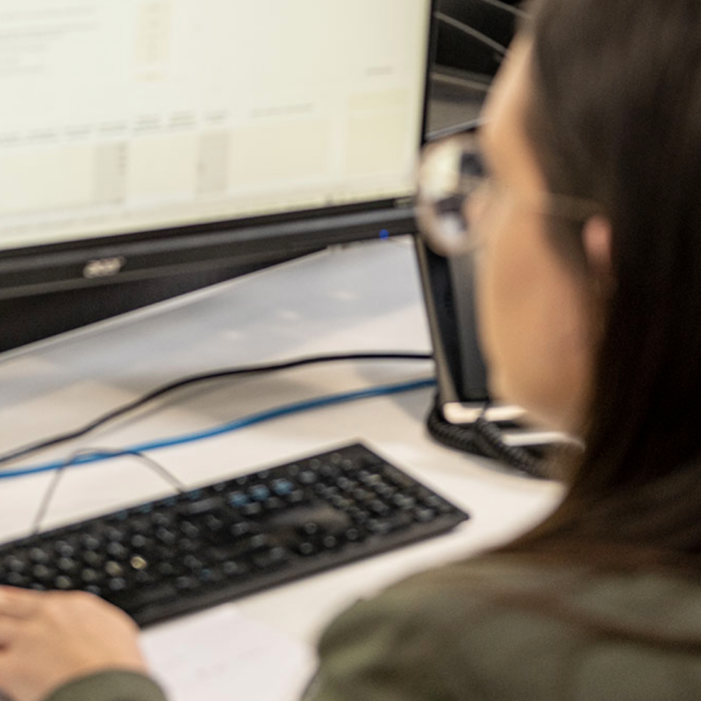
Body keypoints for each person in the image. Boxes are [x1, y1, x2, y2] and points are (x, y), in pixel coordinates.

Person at [4, 0, 701, 698]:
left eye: (488, 179)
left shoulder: (448, 652)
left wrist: (95, 681)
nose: (469, 222)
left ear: (603, 266)